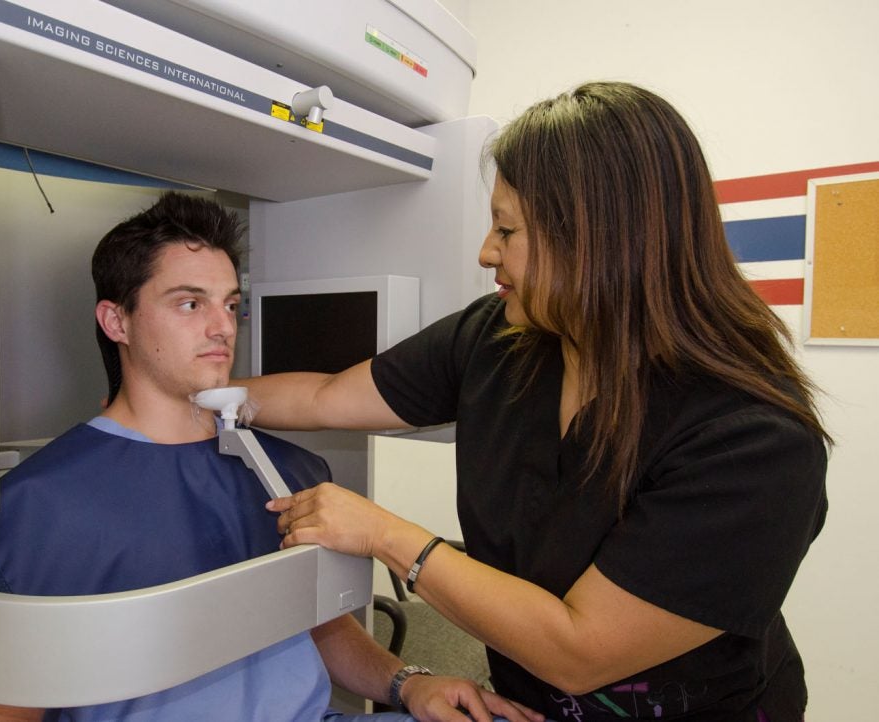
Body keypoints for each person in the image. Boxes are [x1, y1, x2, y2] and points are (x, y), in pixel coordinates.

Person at [241, 82, 829, 722]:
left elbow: (581, 650)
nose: (486, 251)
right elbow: (327, 397)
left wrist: (386, 535)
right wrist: (195, 392)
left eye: (507, 229)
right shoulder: (500, 339)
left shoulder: (752, 440)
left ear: (598, 239)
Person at [0, 192, 538, 722]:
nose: (222, 327)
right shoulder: (35, 510)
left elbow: (322, 631)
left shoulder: (293, 476)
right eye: (189, 304)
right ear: (116, 320)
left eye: (230, 305)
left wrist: (410, 684)